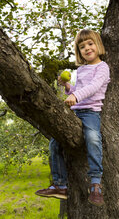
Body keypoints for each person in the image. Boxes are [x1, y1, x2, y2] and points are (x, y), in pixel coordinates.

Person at [35, 29, 110, 207]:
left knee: (92, 138)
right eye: (82, 46)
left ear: (98, 45)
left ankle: (95, 183)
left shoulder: (102, 67)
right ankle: (60, 185)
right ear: (79, 51)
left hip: (91, 112)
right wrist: (69, 87)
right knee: (55, 143)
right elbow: (79, 89)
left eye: (90, 44)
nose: (87, 48)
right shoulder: (82, 69)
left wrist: (75, 96)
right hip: (76, 112)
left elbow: (93, 87)